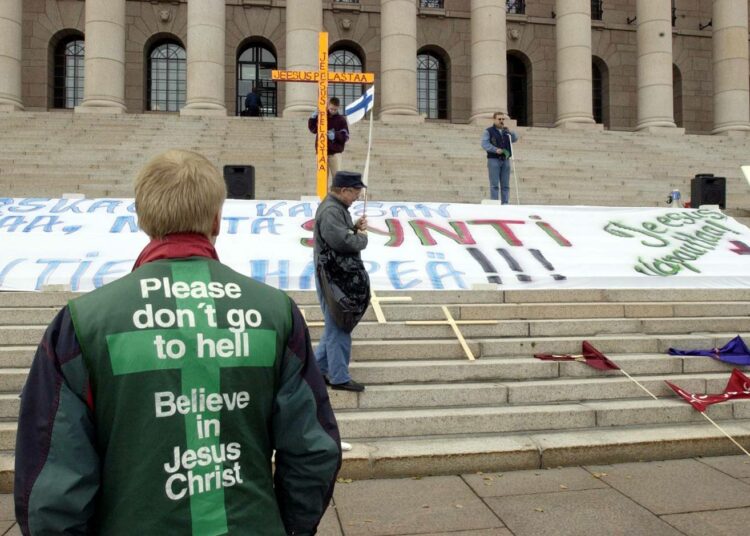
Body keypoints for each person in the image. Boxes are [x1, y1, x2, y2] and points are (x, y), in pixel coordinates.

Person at [14, 150, 341, 535]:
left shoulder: (82, 323)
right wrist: (290, 528)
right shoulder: (277, 313)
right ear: (218, 219)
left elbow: (53, 478)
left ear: (141, 218)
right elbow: (312, 451)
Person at [314, 171, 368, 393]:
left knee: (333, 326)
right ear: (344, 190)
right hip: (334, 278)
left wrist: (353, 227)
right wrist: (361, 237)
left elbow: (339, 235)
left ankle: (316, 371)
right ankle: (339, 377)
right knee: (339, 325)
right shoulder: (330, 211)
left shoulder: (335, 209)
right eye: (355, 192)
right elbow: (342, 241)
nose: (357, 197)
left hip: (332, 276)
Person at [481, 112, 520, 204]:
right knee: (494, 184)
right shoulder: (488, 131)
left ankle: (505, 202)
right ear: (494, 120)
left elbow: (514, 139)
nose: (501, 121)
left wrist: (510, 132)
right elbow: (484, 144)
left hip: (505, 160)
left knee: (505, 184)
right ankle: (495, 202)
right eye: (499, 119)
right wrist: (495, 149)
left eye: (503, 119)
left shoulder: (506, 132)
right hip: (493, 159)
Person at [308, 97, 350, 180]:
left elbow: (345, 136)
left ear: (338, 108)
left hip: (335, 153)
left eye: (335, 109)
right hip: (321, 151)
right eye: (331, 109)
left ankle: (336, 193)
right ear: (328, 106)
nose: (333, 111)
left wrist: (335, 135)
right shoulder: (321, 116)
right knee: (322, 178)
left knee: (337, 178)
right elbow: (313, 129)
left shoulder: (341, 120)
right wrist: (313, 118)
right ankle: (323, 193)